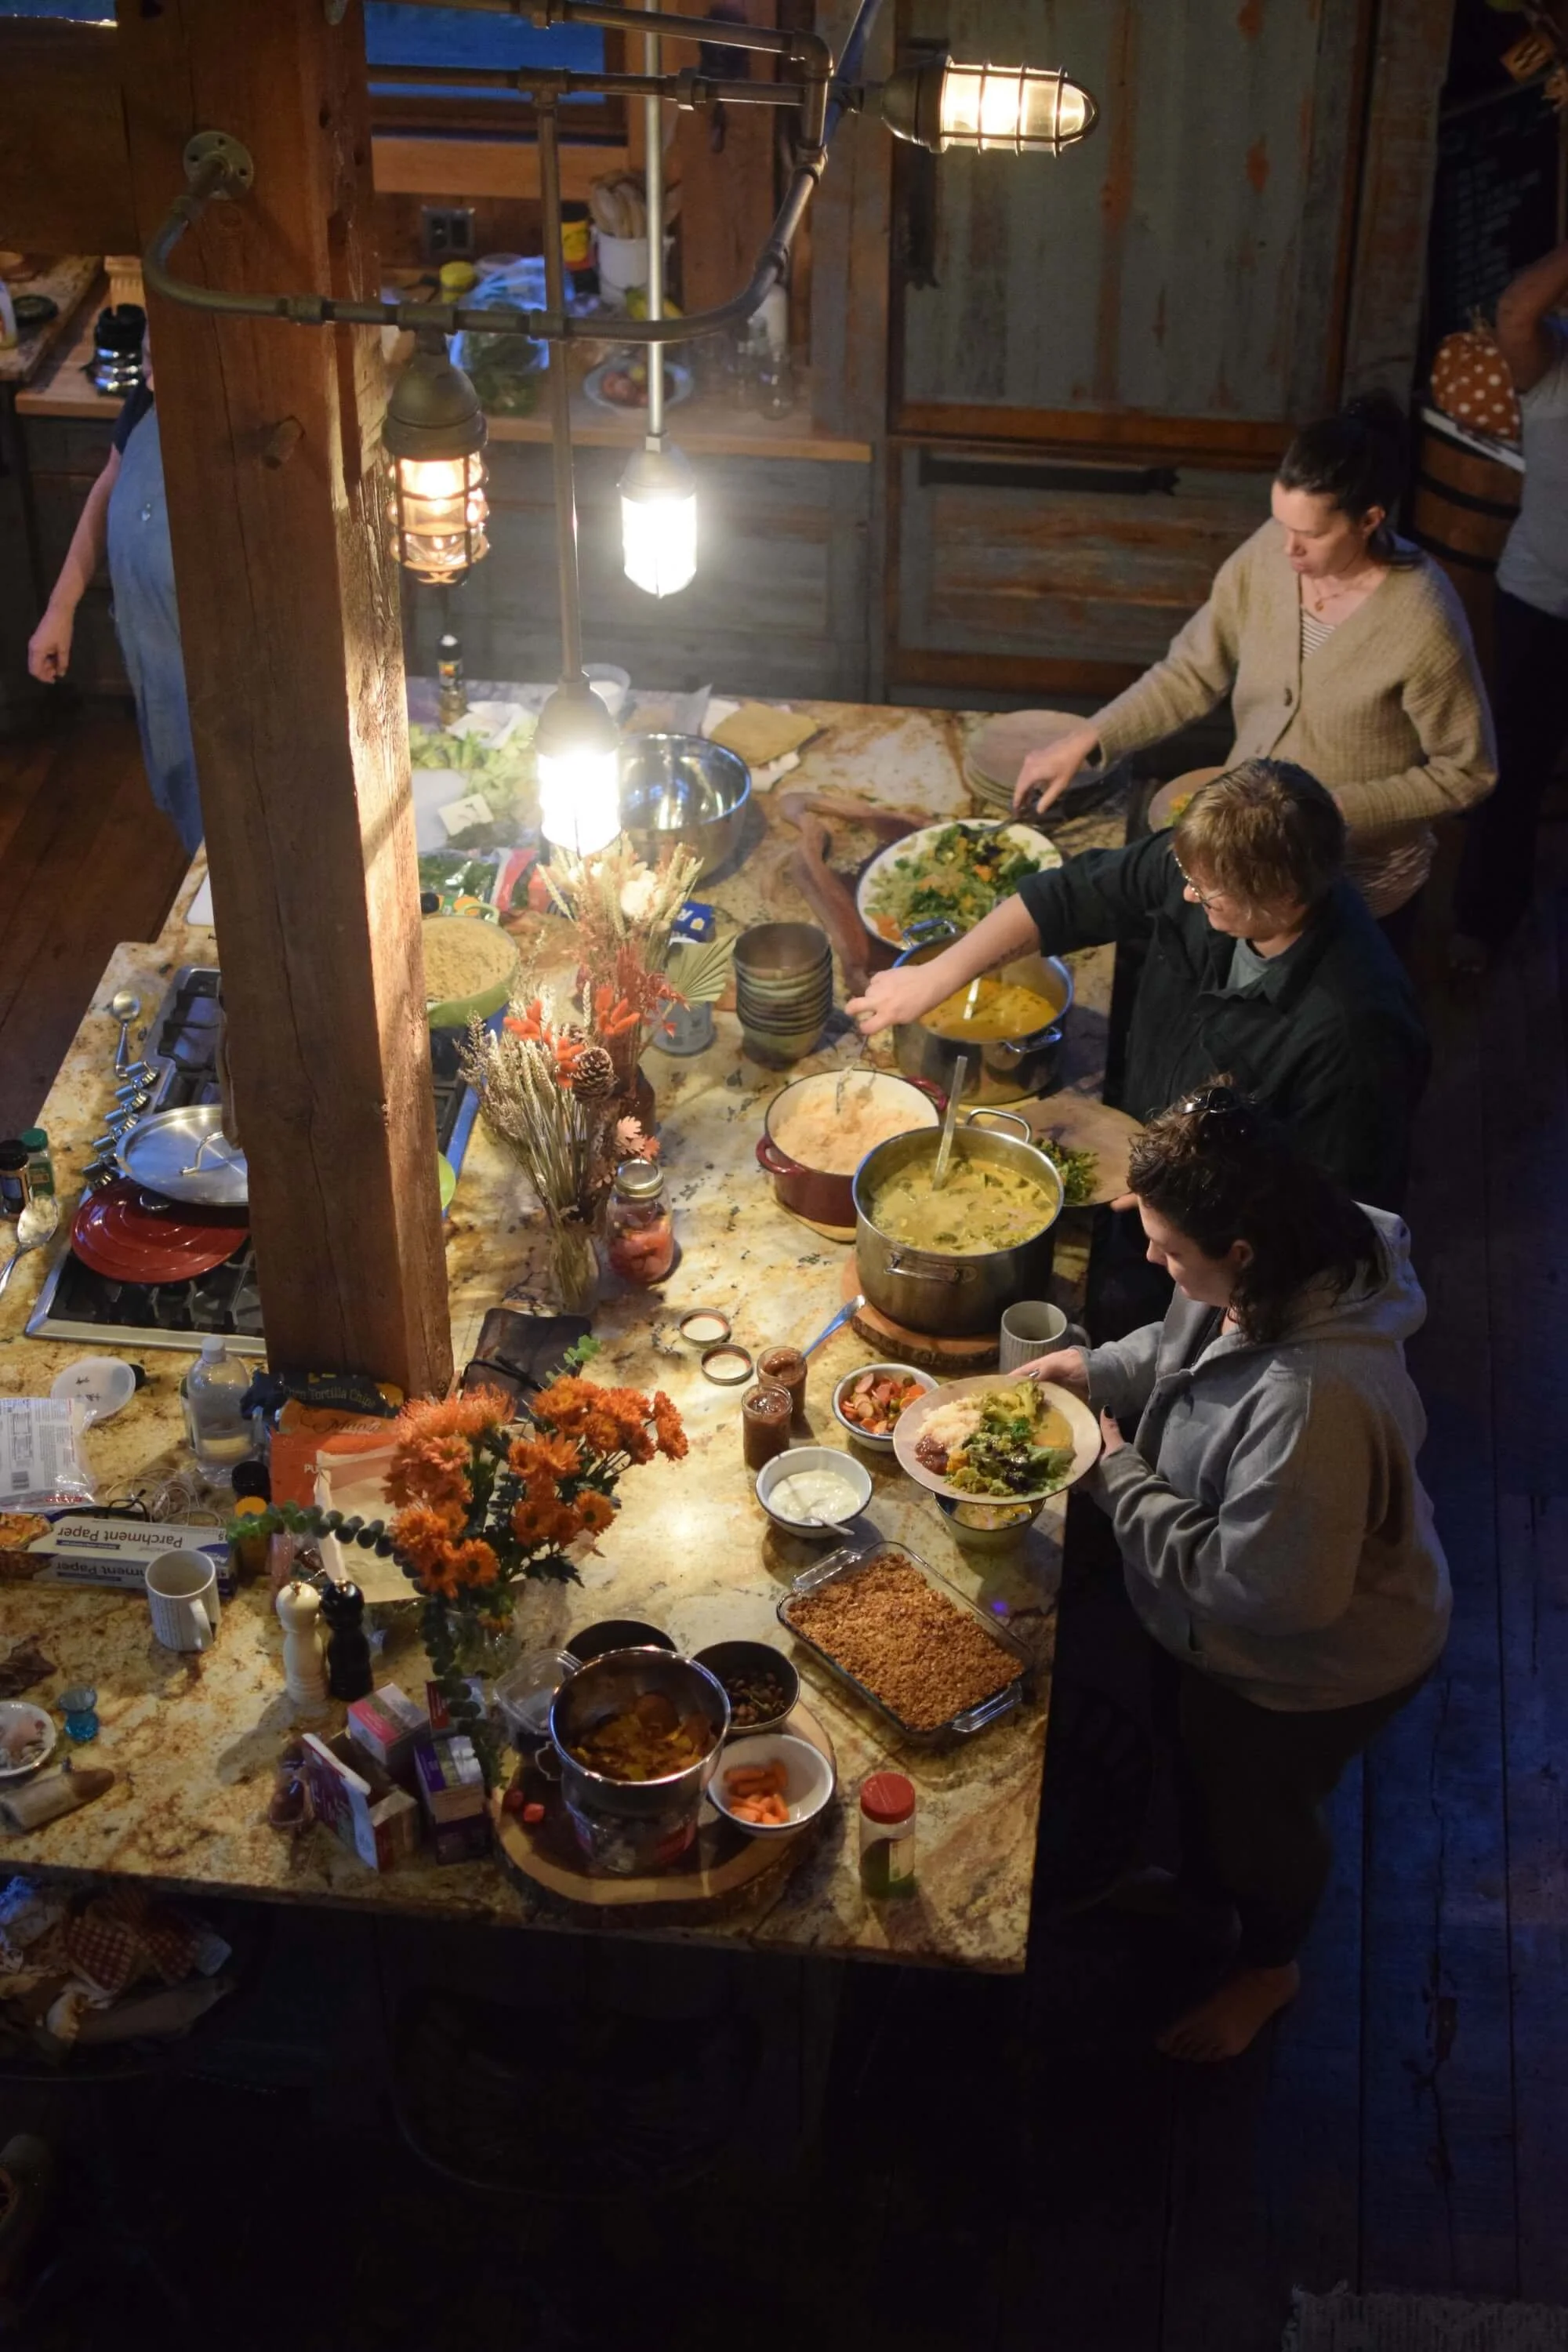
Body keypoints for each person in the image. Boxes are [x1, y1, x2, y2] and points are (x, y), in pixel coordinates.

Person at [1022, 1085, 1450, 2060]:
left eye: (1169, 1250)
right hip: (1229, 1631)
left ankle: (1267, 1968)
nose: (1152, 1261)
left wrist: (1113, 1474)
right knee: (1203, 1772)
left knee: (1261, 1823)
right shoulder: (1272, 1263)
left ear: (1241, 1252)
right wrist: (1095, 1373)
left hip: (1312, 1668)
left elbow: (1267, 1593)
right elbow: (1184, 1345)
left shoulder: (1312, 1404)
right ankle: (1199, 1888)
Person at [848, 758, 1429, 1224]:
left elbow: (1336, 1209)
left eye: (1208, 893)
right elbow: (1071, 895)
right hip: (1145, 1150)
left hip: (1222, 1234)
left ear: (1283, 898)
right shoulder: (1211, 861)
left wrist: (1193, 1193)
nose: (1189, 895)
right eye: (1190, 878)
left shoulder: (1356, 1031)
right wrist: (938, 975)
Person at [1012, 393, 1495, 930]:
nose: (1288, 549)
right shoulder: (1269, 554)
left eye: (1310, 535)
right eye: (1281, 523)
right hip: (1245, 870)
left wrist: (1333, 809)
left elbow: (1467, 773)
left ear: (1369, 520)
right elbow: (1192, 672)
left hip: (1356, 883)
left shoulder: (1423, 617)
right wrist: (1088, 738)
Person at [26, 344, 203, 855]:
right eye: (147, 359)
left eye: (166, 361)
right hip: (157, 664)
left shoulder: (241, 430)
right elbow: (110, 482)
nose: (150, 380)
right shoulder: (147, 400)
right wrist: (61, 607)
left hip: (218, 689)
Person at [1452, 238, 1568, 967]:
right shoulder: (1554, 362)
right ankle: (1484, 923)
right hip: (1541, 602)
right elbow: (1517, 310)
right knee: (1516, 771)